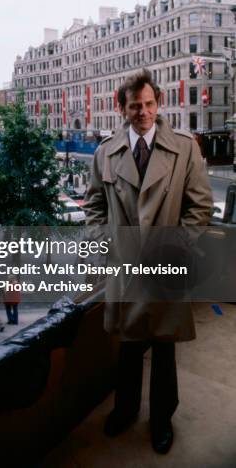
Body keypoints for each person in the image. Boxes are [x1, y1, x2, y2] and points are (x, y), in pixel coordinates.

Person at [83, 69, 212, 455]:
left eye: (150, 104)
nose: (144, 112)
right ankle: (124, 411)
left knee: (165, 347)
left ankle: (161, 420)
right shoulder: (105, 152)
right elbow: (93, 205)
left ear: (158, 103)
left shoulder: (185, 148)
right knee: (128, 346)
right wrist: (104, 242)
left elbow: (200, 206)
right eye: (136, 106)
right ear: (121, 108)